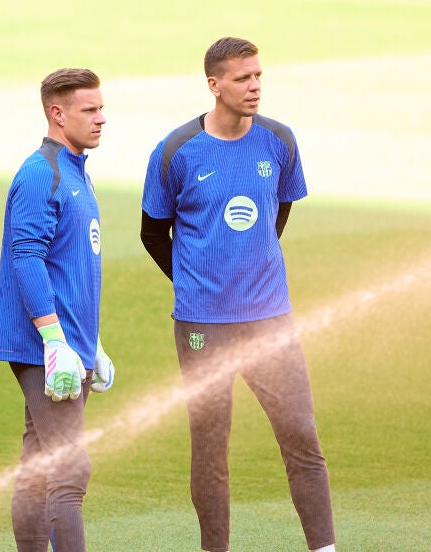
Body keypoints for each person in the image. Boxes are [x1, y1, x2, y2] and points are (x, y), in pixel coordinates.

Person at [139, 37, 336, 552]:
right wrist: (194, 282)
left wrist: (250, 273)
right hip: (202, 326)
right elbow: (152, 232)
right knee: (210, 448)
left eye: (258, 76)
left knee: (301, 436)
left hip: (271, 319)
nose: (254, 87)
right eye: (243, 78)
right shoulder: (176, 151)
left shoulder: (279, 140)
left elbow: (278, 214)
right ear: (214, 84)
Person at [0, 67, 116, 552]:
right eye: (90, 110)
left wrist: (91, 341)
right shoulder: (40, 174)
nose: (101, 118)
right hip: (42, 343)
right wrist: (54, 340)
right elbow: (27, 257)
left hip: (68, 341)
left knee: (40, 463)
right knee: (69, 469)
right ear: (57, 113)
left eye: (102, 108)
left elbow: (70, 266)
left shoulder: (76, 171)